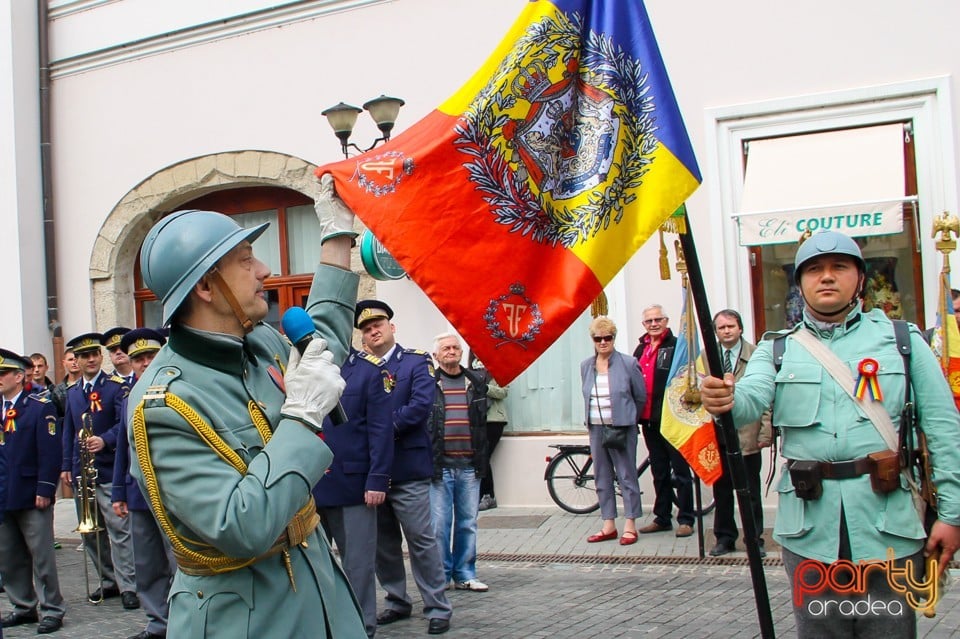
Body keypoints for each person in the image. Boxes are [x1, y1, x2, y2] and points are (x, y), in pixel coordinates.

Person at [701, 230, 960, 638]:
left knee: (889, 630)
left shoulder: (903, 341)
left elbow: (945, 431)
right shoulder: (777, 349)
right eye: (814, 269)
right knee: (821, 632)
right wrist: (726, 400)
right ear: (799, 283)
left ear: (860, 278)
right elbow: (750, 400)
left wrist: (952, 514)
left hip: (888, 524)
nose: (826, 277)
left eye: (839, 267)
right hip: (810, 529)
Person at [127, 198, 366, 637]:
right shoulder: (164, 404)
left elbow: (320, 346)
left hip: (318, 591)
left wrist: (337, 238)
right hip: (246, 617)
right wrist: (301, 418)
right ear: (205, 287)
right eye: (245, 260)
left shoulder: (257, 346)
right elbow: (241, 526)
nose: (264, 270)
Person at [357, 299, 453, 635]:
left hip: (407, 467)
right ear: (363, 337)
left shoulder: (415, 362)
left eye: (378, 324)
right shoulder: (362, 369)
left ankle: (438, 606)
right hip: (375, 473)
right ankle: (397, 600)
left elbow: (420, 407)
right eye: (367, 329)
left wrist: (380, 430)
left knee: (421, 539)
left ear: (391, 327)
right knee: (383, 543)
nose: (374, 331)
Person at [312, 344, 394, 639]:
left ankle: (361, 629)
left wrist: (377, 479)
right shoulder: (301, 365)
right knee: (314, 568)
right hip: (309, 485)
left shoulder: (369, 370)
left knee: (357, 566)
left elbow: (381, 429)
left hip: (353, 485)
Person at [60, 332, 138, 608]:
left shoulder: (116, 387)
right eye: (84, 356)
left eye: (94, 354)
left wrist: (104, 439)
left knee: (119, 530)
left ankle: (130, 584)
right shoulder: (71, 393)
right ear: (76, 361)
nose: (91, 359)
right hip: (83, 472)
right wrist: (67, 466)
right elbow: (69, 431)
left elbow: (124, 424)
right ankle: (108, 580)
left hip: (108, 468)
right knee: (91, 532)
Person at [111, 328, 175, 639]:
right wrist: (118, 492)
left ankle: (185, 620)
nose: (145, 363)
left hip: (173, 490)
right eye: (138, 359)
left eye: (150, 355)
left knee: (180, 560)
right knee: (147, 563)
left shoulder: (177, 388)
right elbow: (123, 449)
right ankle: (158, 623)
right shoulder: (127, 396)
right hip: (138, 491)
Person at [0, 350, 65, 634]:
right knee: (9, 555)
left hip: (30, 492)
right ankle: (23, 606)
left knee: (41, 556)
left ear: (19, 376)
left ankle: (52, 608)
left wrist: (45, 487)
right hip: (3, 494)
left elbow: (49, 451)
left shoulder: (39, 406)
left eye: (3, 374)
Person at [698, 310, 772, 557]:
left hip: (747, 436)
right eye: (721, 328)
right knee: (722, 491)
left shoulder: (756, 354)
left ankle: (754, 539)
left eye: (730, 326)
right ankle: (724, 538)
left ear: (740, 328)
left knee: (750, 491)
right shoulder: (707, 357)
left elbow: (766, 398)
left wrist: (765, 431)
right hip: (718, 436)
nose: (726, 331)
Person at [429, 333, 489, 593]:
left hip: (469, 464)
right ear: (436, 355)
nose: (452, 351)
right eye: (446, 348)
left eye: (455, 347)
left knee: (468, 522)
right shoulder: (429, 384)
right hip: (440, 466)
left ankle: (465, 573)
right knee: (439, 526)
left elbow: (481, 425)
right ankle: (441, 576)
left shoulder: (475, 382)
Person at [579, 317, 646, 546]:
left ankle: (630, 523)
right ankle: (608, 523)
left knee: (626, 475)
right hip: (596, 427)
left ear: (614, 338)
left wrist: (628, 418)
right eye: (598, 338)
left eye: (608, 337)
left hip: (621, 427)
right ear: (593, 340)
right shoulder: (586, 365)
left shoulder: (628, 363)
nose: (603, 342)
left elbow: (640, 396)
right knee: (601, 475)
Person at [633, 305, 695, 537]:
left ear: (667, 321)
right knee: (659, 471)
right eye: (649, 321)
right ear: (644, 325)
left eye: (658, 319)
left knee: (680, 471)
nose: (654, 324)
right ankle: (662, 517)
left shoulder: (678, 346)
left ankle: (686, 519)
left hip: (671, 419)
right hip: (649, 420)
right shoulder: (641, 348)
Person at [467, 353, 507, 512]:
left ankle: (488, 496)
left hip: (493, 419)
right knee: (478, 457)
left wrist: (485, 387)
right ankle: (480, 495)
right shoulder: (469, 370)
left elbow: (504, 392)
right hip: (475, 418)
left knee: (483, 456)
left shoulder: (497, 367)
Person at [49, 348, 80, 421]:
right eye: (70, 359)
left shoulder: (88, 384)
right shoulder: (58, 390)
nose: (74, 363)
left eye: (76, 359)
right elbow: (57, 417)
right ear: (64, 363)